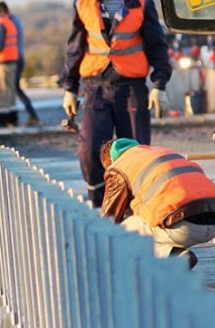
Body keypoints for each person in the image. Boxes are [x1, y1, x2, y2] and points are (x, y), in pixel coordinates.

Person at [62, 0, 173, 207]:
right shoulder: (83, 4)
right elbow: (75, 47)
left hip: (131, 87)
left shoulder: (141, 3)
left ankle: (134, 203)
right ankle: (99, 202)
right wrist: (70, 87)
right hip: (96, 86)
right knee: (89, 148)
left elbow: (157, 45)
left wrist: (159, 85)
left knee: (135, 149)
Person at [100, 138, 215, 269]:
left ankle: (172, 256)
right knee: (148, 217)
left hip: (182, 225)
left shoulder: (119, 167)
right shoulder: (164, 153)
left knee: (122, 230)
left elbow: (108, 220)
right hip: (214, 222)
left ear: (109, 161)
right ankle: (178, 255)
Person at [0, 2, 39, 126]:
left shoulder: (9, 22)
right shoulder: (14, 20)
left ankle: (29, 116)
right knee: (14, 88)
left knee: (14, 88)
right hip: (17, 57)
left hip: (14, 59)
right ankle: (25, 116)